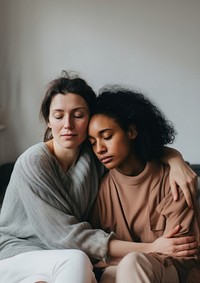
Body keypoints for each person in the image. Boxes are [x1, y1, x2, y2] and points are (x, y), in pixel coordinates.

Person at [0, 72, 197, 283]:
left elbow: (137, 146)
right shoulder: (33, 162)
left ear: (90, 118)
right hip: (20, 253)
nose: (68, 124)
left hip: (66, 259)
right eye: (58, 116)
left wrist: (176, 160)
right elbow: (65, 238)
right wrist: (150, 248)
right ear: (48, 120)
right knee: (77, 261)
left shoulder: (95, 155)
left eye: (78, 115)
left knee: (89, 269)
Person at [88, 86, 200, 283]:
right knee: (111, 275)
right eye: (92, 142)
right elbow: (96, 257)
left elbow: (183, 252)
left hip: (175, 273)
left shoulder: (174, 179)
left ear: (131, 131)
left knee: (132, 264)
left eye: (107, 137)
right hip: (124, 273)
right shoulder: (102, 187)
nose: (100, 149)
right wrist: (149, 248)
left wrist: (130, 257)